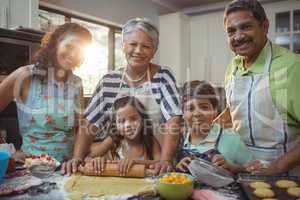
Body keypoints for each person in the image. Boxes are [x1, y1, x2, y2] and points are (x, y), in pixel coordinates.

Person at [61, 18, 182, 175]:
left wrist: (165, 161)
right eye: (133, 44)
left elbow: (174, 121)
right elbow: (88, 124)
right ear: (123, 46)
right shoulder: (109, 81)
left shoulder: (163, 76)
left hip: (155, 164)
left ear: (154, 51)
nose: (138, 50)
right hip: (120, 164)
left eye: (146, 46)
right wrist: (77, 158)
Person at [221, 0, 300, 175]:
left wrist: (278, 167)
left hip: (286, 173)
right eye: (231, 31)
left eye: (246, 27)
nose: (238, 36)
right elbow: (238, 107)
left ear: (264, 26)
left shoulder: (292, 67)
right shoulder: (233, 66)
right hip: (241, 167)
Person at [0, 23, 92, 163]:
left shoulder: (77, 83)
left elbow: (80, 128)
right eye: (69, 46)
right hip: (32, 169)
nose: (73, 54)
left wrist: (78, 158)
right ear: (55, 43)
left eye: (79, 51)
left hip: (67, 168)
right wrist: (7, 150)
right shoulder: (25, 76)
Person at [176, 80, 253, 174]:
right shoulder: (179, 140)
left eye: (204, 107)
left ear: (215, 111)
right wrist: (178, 166)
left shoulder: (231, 139)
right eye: (190, 108)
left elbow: (254, 169)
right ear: (183, 114)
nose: (197, 113)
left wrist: (232, 168)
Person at [87, 96, 161, 175]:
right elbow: (87, 157)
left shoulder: (150, 140)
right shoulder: (114, 140)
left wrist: (135, 162)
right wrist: (97, 160)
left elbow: (160, 162)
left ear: (143, 120)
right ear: (115, 125)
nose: (128, 125)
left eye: (133, 119)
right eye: (121, 121)